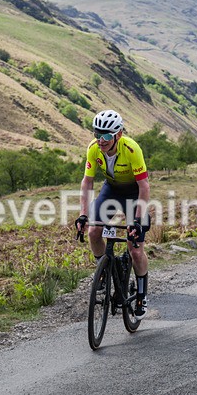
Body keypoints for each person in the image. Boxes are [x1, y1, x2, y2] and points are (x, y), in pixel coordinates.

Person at [75, 110, 151, 320]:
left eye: (106, 136)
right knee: (93, 231)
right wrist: (83, 214)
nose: (101, 140)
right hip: (112, 190)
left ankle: (142, 294)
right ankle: (104, 270)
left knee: (135, 250)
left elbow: (144, 186)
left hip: (134, 193)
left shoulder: (131, 149)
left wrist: (136, 220)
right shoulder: (93, 149)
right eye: (97, 134)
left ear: (118, 134)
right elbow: (87, 182)